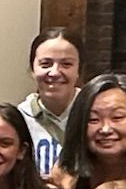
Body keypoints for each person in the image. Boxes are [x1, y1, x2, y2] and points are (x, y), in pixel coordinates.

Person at [19, 27, 84, 176]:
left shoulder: (93, 113)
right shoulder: (19, 119)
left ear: (78, 69)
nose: (54, 72)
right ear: (32, 69)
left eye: (66, 64)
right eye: (46, 64)